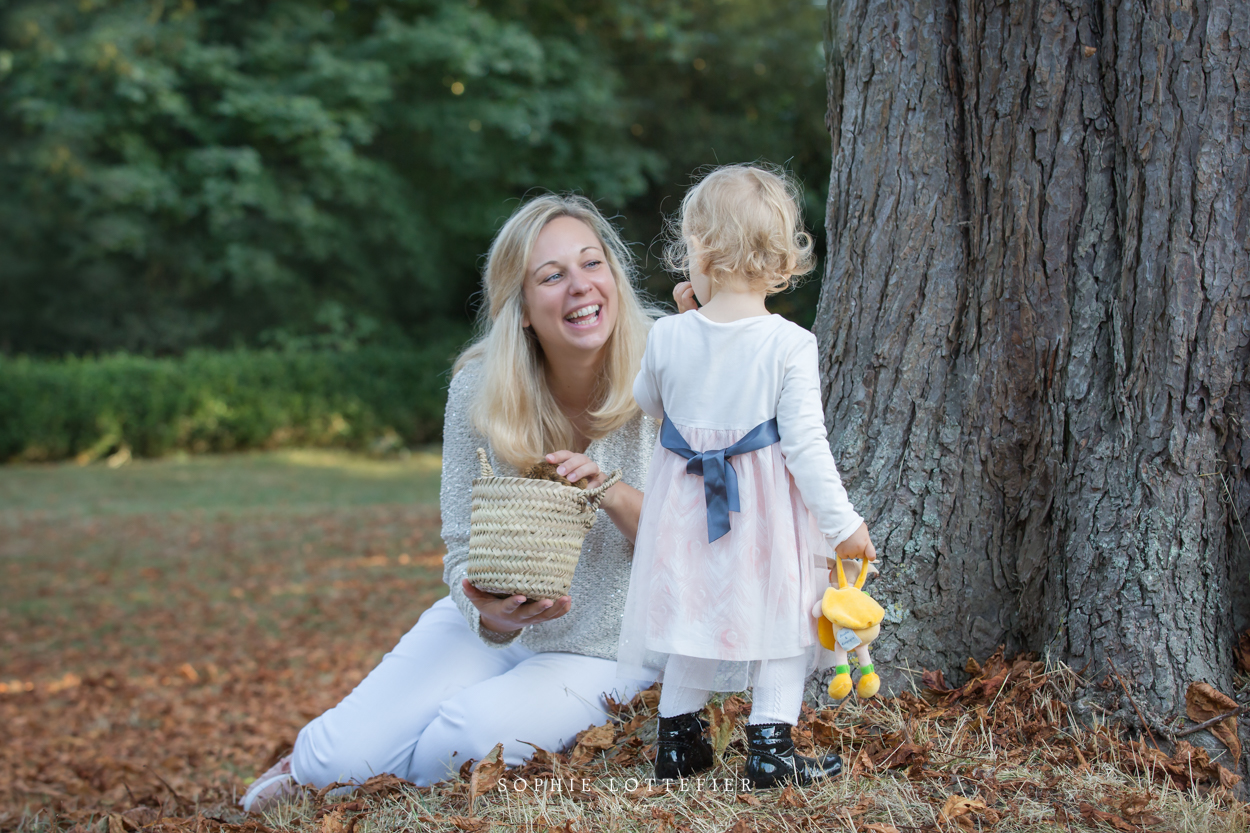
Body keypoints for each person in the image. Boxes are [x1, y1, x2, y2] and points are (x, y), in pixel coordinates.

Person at [241, 194, 662, 811]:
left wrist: (612, 492)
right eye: (551, 275)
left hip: (604, 646)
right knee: (336, 759)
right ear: (520, 311)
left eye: (591, 263)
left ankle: (380, 790)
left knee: (459, 745)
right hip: (491, 630)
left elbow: (700, 538)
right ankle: (321, 767)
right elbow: (463, 548)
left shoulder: (667, 371)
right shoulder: (479, 387)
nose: (580, 287)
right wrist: (495, 616)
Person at [616, 164, 878, 789]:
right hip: (765, 516)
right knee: (784, 623)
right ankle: (770, 748)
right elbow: (806, 447)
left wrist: (683, 321)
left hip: (687, 514)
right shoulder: (790, 343)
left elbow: (649, 403)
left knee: (692, 618)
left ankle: (678, 744)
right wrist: (843, 525)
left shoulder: (667, 335)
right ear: (782, 258)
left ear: (698, 249)